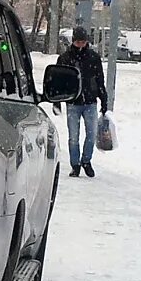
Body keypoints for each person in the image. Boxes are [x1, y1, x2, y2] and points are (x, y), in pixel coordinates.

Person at [54, 25, 109, 178]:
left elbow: (99, 80)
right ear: (73, 41)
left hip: (90, 101)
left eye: (83, 42)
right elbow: (58, 80)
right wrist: (57, 100)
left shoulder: (93, 58)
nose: (80, 45)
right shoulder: (65, 58)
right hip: (72, 102)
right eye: (78, 42)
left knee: (91, 135)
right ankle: (75, 164)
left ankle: (86, 160)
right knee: (73, 136)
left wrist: (103, 99)